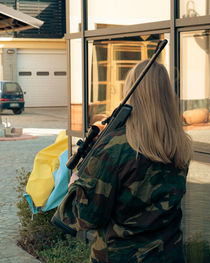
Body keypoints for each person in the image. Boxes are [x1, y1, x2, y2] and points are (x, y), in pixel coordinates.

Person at [55, 60, 192, 263]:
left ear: (132, 95)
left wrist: (76, 184)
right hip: (170, 255)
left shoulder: (114, 147)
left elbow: (87, 216)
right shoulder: (179, 144)